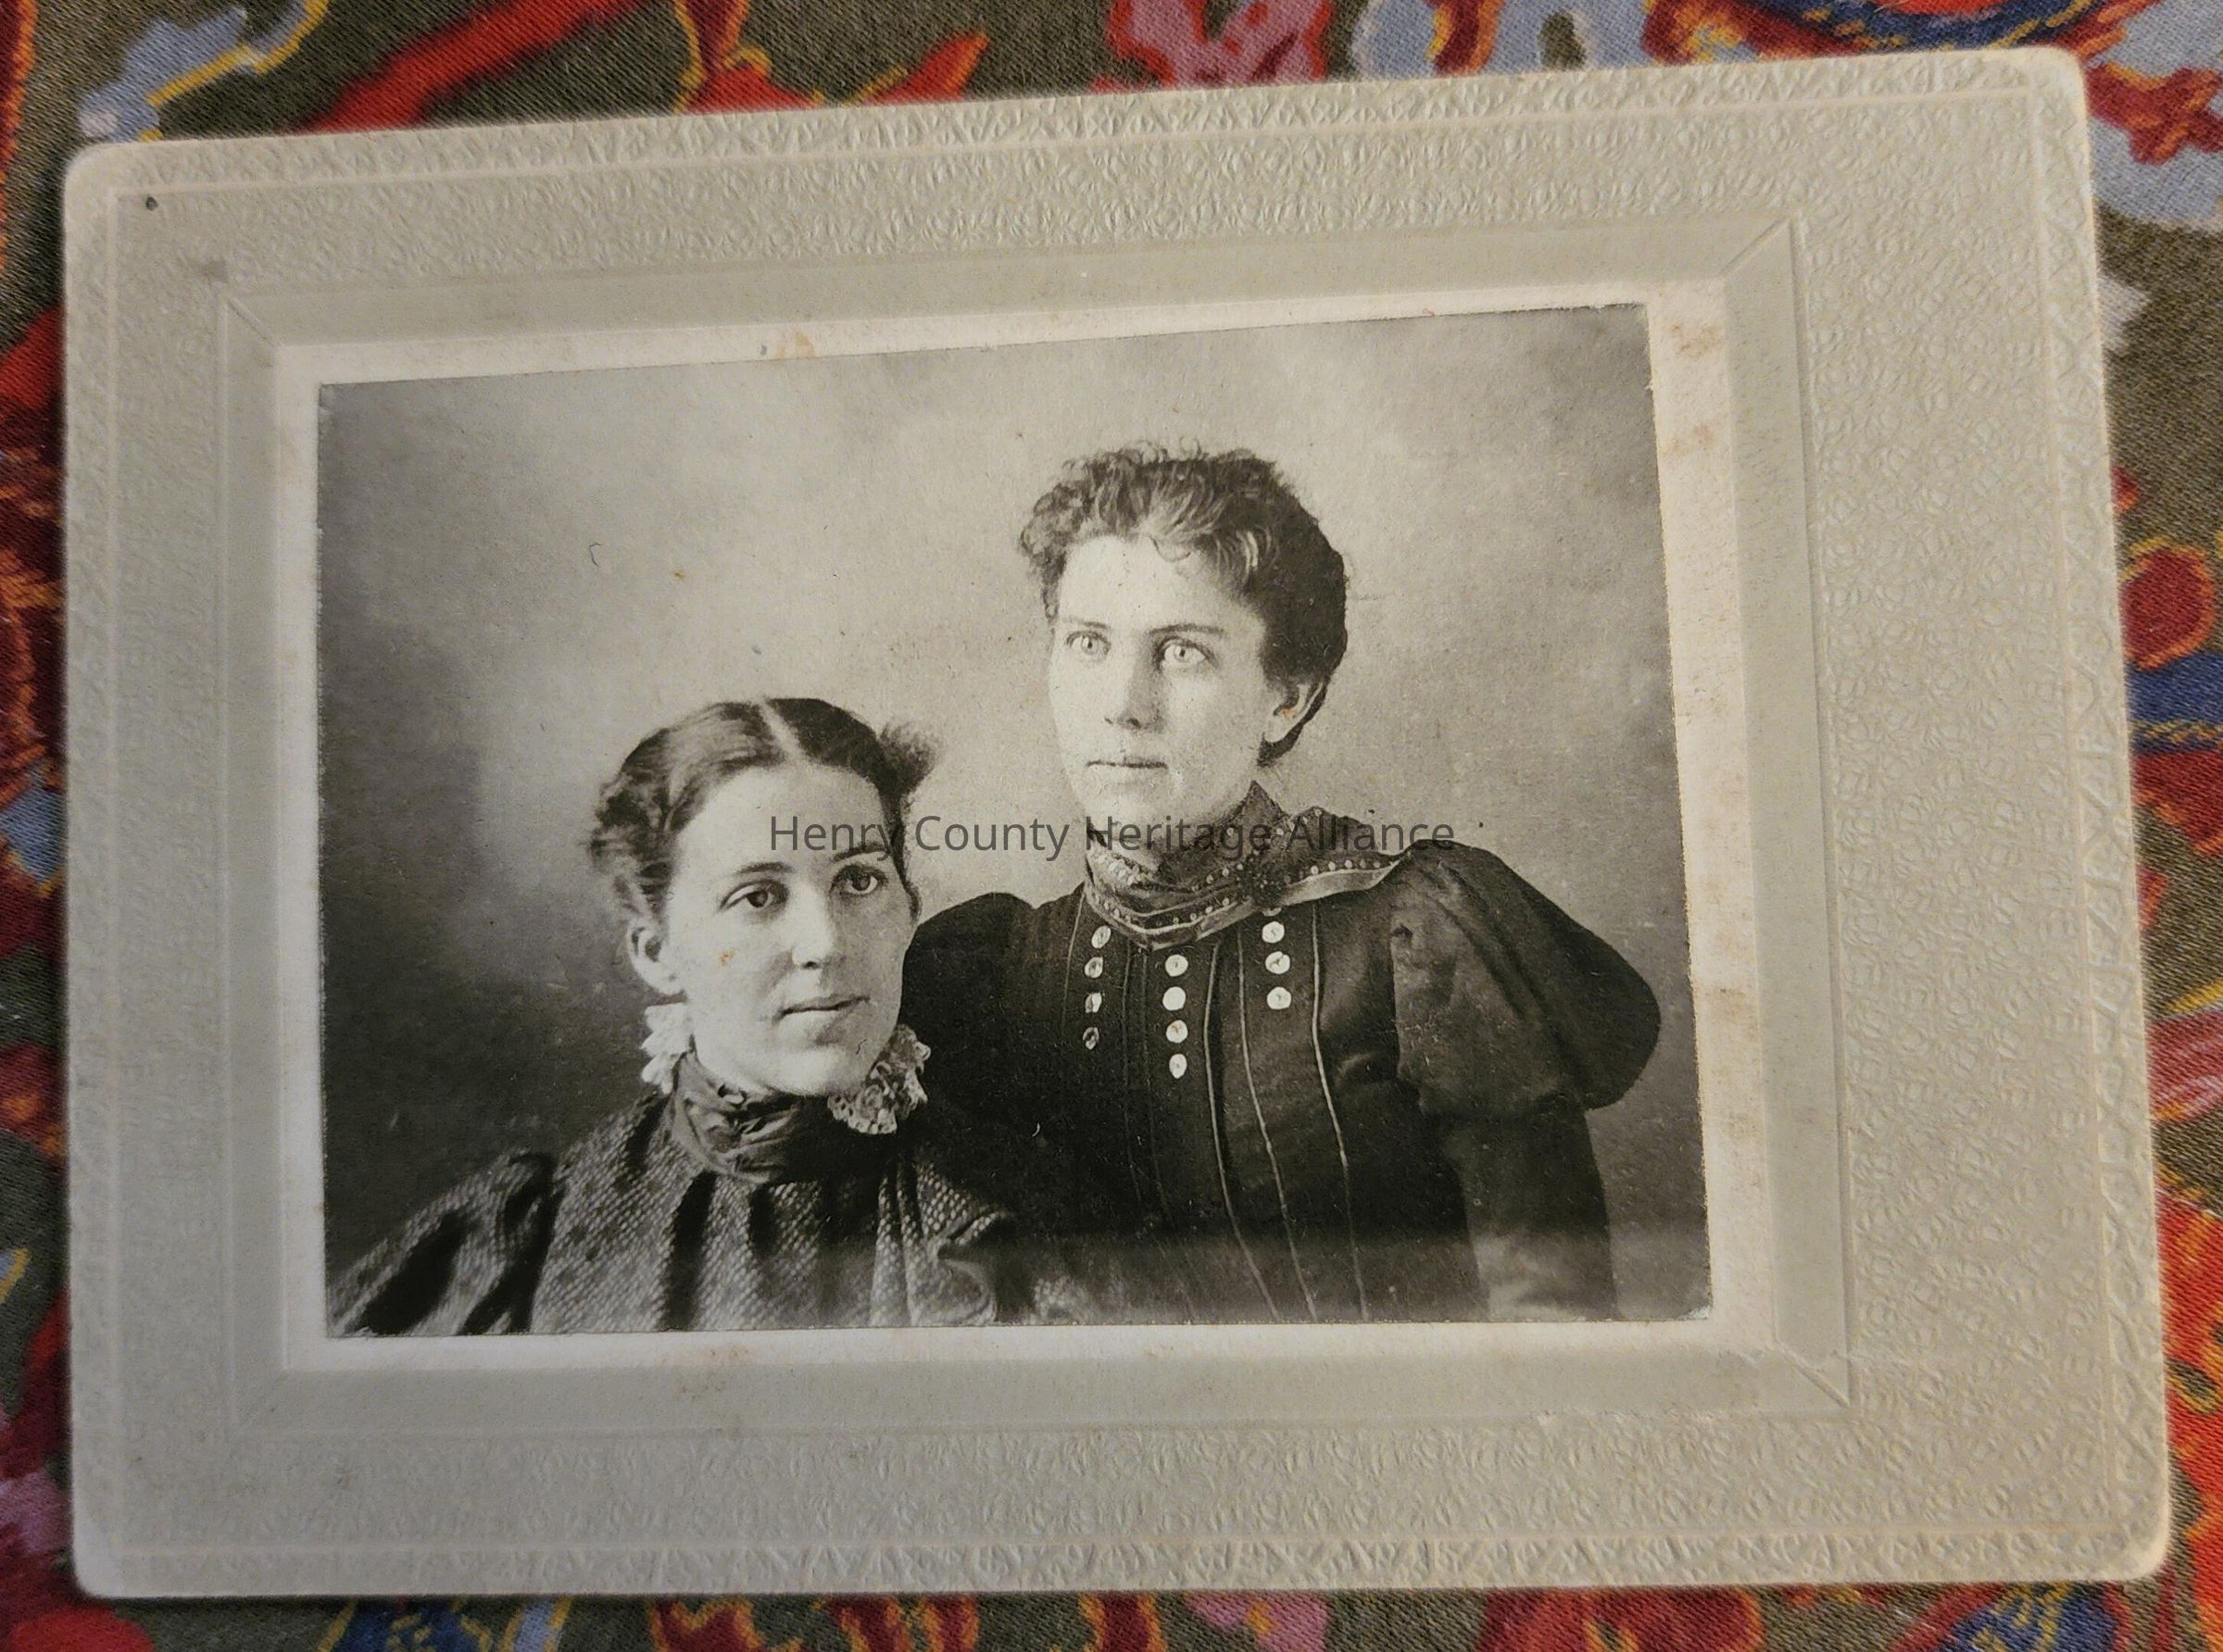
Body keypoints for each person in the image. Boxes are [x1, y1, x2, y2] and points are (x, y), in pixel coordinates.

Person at [907, 446, 1661, 1323]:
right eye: (1088, 644)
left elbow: (1555, 1329)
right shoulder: (990, 973)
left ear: (1286, 699)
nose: (1123, 703)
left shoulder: (1417, 937)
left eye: (1181, 652)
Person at [330, 697, 1093, 1333]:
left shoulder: (1029, 1217)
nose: (826, 944)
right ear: (657, 951)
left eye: (859, 881)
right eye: (758, 896)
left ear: (910, 908)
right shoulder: (533, 1239)